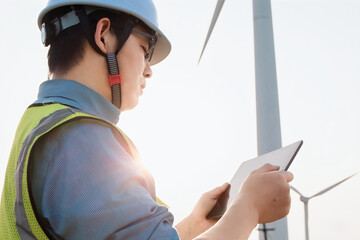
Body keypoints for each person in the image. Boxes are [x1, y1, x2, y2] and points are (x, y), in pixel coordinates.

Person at [0, 0, 293, 239]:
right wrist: (248, 208)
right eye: (144, 50)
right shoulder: (81, 139)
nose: (149, 70)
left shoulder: (41, 120)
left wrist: (191, 226)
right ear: (104, 35)